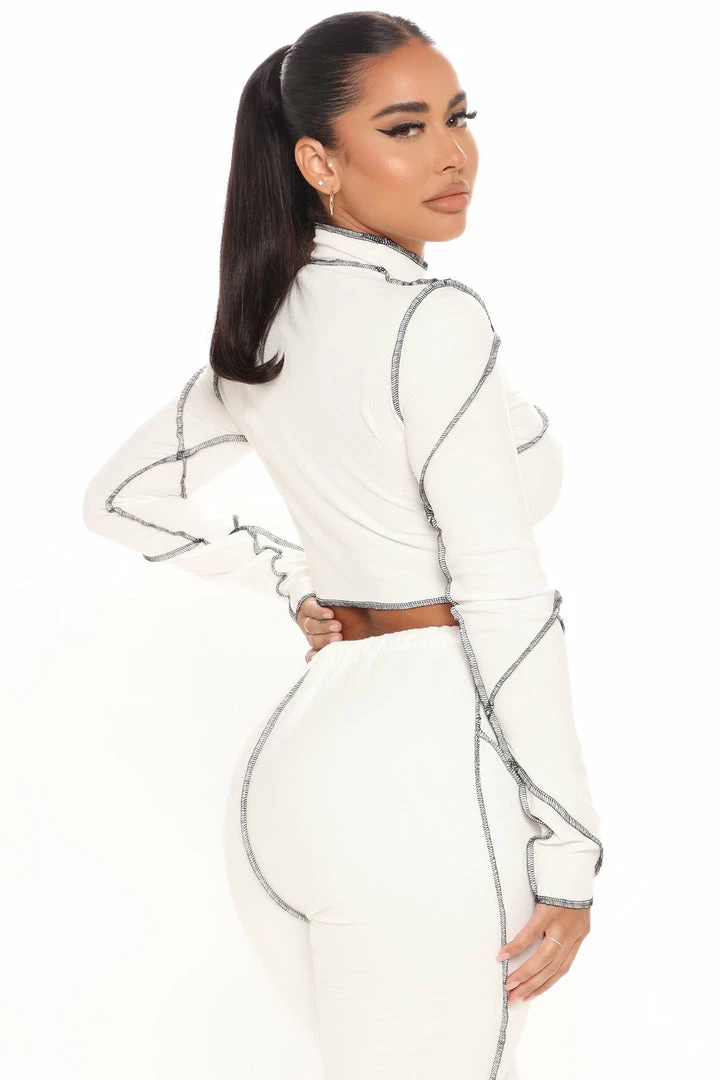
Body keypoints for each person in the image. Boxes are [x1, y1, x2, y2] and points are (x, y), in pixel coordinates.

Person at [82, 12, 604, 1079]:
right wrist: (571, 848)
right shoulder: (434, 319)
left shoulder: (266, 323)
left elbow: (124, 499)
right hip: (424, 782)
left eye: (459, 118)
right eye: (405, 128)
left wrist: (292, 577)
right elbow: (505, 596)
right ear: (319, 162)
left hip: (295, 777)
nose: (452, 154)